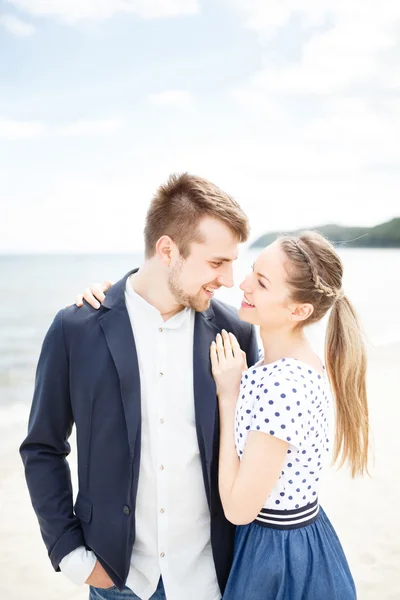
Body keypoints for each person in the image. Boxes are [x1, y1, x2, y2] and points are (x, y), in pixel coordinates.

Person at [82, 231, 368, 599]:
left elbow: (238, 508)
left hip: (277, 554)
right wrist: (114, 299)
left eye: (262, 283)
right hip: (290, 539)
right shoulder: (282, 363)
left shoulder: (284, 384)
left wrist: (229, 394)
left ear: (300, 311)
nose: (242, 284)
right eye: (252, 270)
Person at [20, 173, 259, 600]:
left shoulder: (236, 332)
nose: (228, 279)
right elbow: (43, 446)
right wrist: (71, 554)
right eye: (217, 263)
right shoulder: (76, 329)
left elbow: (254, 450)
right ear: (168, 250)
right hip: (117, 579)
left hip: (213, 579)